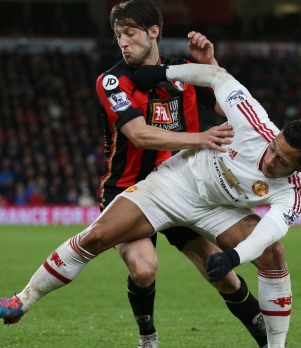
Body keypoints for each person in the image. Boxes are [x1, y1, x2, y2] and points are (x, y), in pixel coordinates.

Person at [0, 63, 301, 347]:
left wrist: (235, 256)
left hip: (221, 210)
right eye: (274, 149)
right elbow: (219, 78)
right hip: (178, 183)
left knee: (273, 255)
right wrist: (167, 70)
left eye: (282, 161)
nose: (270, 160)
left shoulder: (293, 190)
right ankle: (21, 301)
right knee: (97, 237)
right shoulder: (254, 122)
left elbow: (270, 230)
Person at [99, 1, 266, 347]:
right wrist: (200, 138)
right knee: (144, 268)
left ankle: (268, 342)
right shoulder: (113, 80)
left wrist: (211, 66)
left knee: (223, 275)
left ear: (153, 32)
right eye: (118, 36)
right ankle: (148, 337)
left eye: (130, 33)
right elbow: (140, 136)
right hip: (127, 189)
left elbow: (227, 107)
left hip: (182, 188)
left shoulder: (183, 70)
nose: (123, 42)